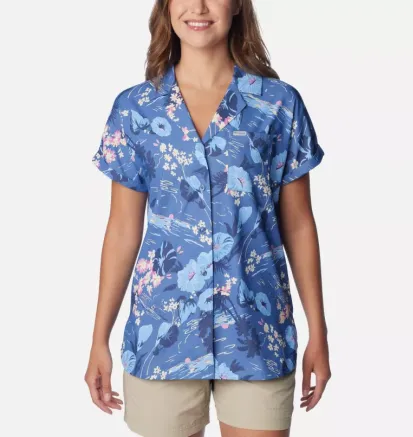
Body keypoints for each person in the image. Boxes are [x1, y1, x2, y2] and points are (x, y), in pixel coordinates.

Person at [85, 0, 331, 436]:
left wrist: (319, 331)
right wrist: (98, 338)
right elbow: (122, 229)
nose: (198, 7)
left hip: (258, 333)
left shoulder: (278, 105)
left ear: (237, 5)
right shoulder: (136, 109)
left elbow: (298, 225)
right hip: (162, 336)